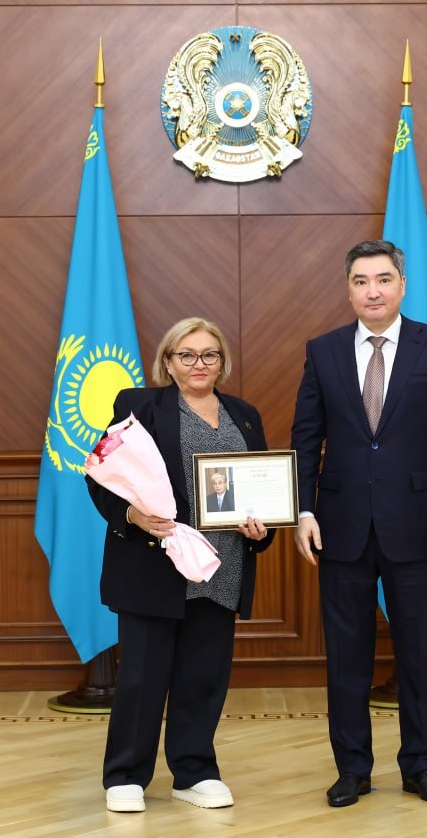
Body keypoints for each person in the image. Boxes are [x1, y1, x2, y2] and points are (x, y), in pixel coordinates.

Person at [290, 240, 427, 808]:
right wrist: (303, 510)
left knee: (417, 655)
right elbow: (306, 439)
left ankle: (420, 766)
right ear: (348, 290)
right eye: (361, 281)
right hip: (339, 527)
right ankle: (353, 770)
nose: (372, 291)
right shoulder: (322, 351)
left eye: (383, 279)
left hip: (418, 526)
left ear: (402, 285)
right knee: (346, 658)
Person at [86, 316, 275, 814]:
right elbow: (100, 474)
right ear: (167, 362)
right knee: (142, 677)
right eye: (186, 355)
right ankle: (126, 775)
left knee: (203, 677)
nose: (198, 364)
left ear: (222, 362)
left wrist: (262, 528)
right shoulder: (139, 406)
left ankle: (194, 772)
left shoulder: (244, 415)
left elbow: (260, 485)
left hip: (222, 566)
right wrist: (131, 516)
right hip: (156, 564)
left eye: (209, 354)